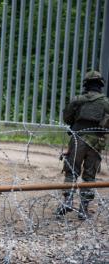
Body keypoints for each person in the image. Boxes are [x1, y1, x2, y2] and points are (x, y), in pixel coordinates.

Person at [55, 70, 109, 220]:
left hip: (78, 138)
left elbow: (67, 118)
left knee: (71, 171)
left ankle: (67, 202)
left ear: (86, 85)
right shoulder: (106, 103)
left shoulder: (77, 100)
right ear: (100, 85)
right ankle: (83, 210)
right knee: (89, 175)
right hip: (96, 142)